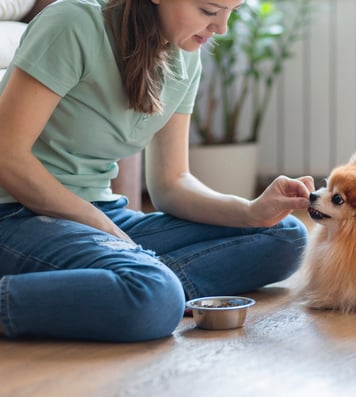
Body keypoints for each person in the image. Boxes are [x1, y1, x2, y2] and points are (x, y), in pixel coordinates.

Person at [0, 0, 314, 342]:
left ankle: (122, 283)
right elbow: (7, 157)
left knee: (283, 235)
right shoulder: (74, 23)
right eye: (209, 11)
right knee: (154, 294)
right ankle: (141, 286)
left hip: (97, 215)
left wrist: (252, 211)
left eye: (231, 11)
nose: (221, 28)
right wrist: (106, 230)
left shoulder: (184, 55)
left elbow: (171, 183)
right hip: (16, 215)